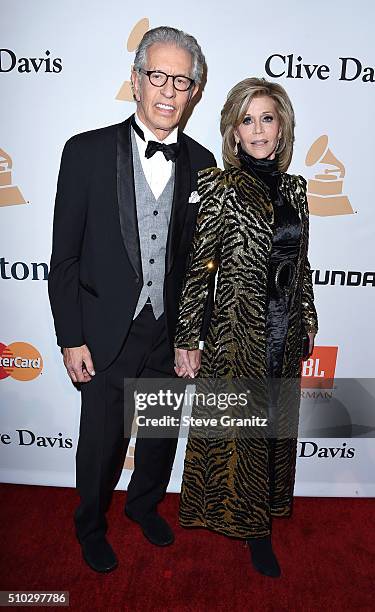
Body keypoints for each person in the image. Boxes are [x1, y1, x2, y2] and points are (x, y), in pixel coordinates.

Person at [48, 26, 216, 573]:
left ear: (194, 90)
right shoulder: (86, 151)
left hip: (167, 331)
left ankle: (144, 506)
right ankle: (90, 525)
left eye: (181, 81)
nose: (168, 91)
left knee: (162, 434)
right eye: (157, 76)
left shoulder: (202, 160)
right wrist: (70, 337)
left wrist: (191, 336)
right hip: (101, 333)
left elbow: (198, 265)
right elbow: (65, 257)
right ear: (136, 81)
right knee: (99, 444)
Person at [174, 77, 318, 578]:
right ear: (234, 132)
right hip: (238, 335)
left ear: (282, 128)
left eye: (267, 118)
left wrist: (308, 320)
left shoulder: (296, 191)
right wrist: (187, 336)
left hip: (285, 332)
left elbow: (301, 265)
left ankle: (268, 512)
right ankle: (253, 531)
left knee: (276, 430)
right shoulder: (220, 187)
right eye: (247, 119)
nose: (258, 129)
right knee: (242, 437)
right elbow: (200, 268)